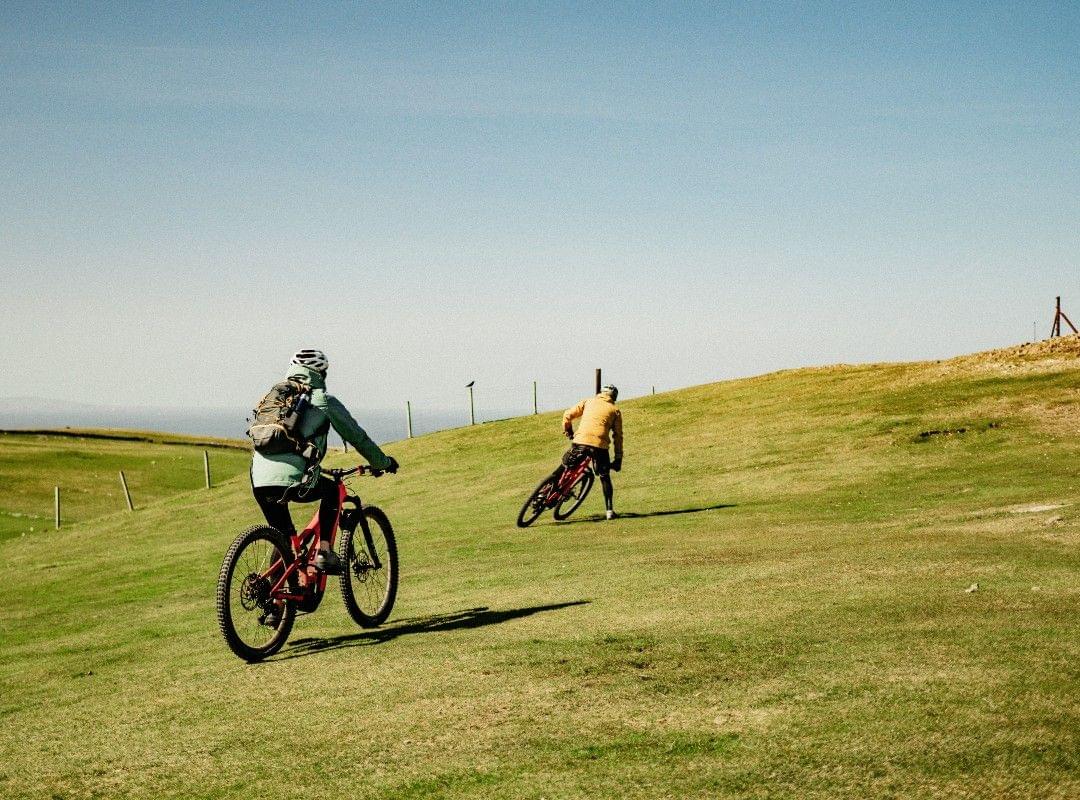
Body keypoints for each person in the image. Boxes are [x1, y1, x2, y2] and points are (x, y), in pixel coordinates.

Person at [250, 349, 398, 577]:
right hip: (294, 480)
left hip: (259, 480)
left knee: (285, 542)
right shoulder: (323, 401)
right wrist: (382, 462)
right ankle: (325, 553)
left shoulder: (276, 398)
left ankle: (276, 605)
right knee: (331, 492)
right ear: (320, 373)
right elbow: (357, 437)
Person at [560, 384, 623, 519]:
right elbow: (618, 436)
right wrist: (618, 458)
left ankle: (549, 489)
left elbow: (567, 415)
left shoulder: (588, 401)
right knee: (604, 476)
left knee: (565, 464)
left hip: (580, 441)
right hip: (600, 446)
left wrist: (569, 430)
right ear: (614, 397)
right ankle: (609, 511)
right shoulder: (615, 410)